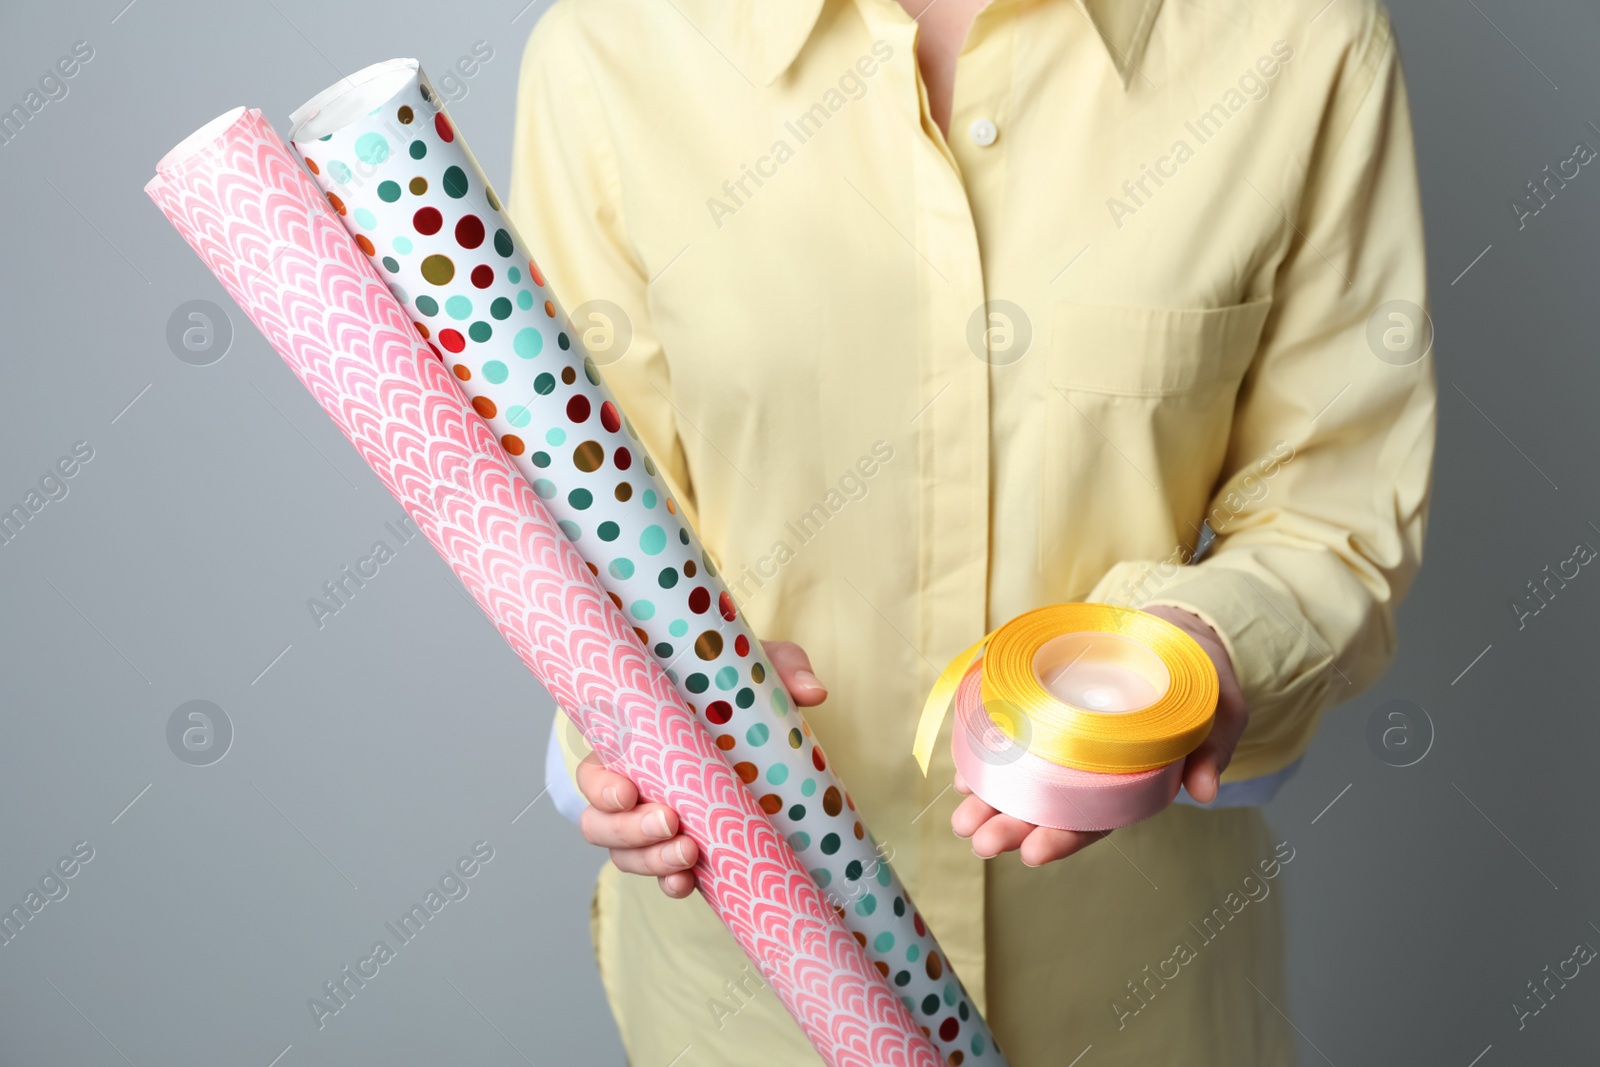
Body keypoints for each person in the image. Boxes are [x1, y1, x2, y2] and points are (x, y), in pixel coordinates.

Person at [507, 0, 1435, 1062]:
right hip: (746, 1002)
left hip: (1142, 995)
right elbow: (567, 513)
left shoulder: (1299, 38)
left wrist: (1198, 654)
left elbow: (1334, 506)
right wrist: (634, 709)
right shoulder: (609, 49)